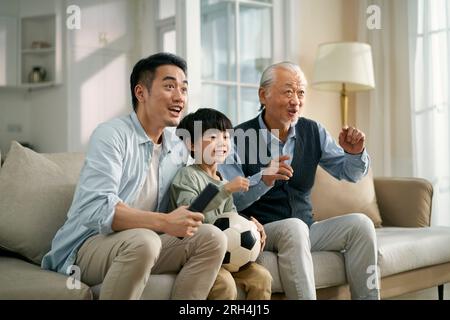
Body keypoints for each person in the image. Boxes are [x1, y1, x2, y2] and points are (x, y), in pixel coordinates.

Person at [41, 53, 229, 300]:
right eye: (169, 86)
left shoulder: (178, 147)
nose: (180, 97)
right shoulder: (112, 135)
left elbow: (201, 185)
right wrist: (163, 222)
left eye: (183, 89)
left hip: (149, 241)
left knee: (213, 238)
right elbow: (96, 208)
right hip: (90, 245)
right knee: (145, 241)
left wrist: (243, 219)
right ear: (141, 93)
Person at [219, 62, 380, 300]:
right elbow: (232, 200)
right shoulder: (237, 138)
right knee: (294, 227)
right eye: (288, 92)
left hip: (306, 227)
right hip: (262, 229)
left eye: (301, 92)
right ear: (263, 95)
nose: (296, 100)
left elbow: (351, 173)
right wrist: (263, 179)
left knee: (361, 224)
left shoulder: (313, 131)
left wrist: (355, 153)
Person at [169, 108, 272, 300]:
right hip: (201, 255)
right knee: (225, 285)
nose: (222, 143)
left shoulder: (223, 180)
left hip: (228, 255)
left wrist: (251, 226)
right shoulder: (187, 176)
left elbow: (230, 218)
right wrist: (225, 190)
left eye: (225, 137)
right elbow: (190, 212)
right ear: (192, 145)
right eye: (213, 137)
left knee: (262, 277)